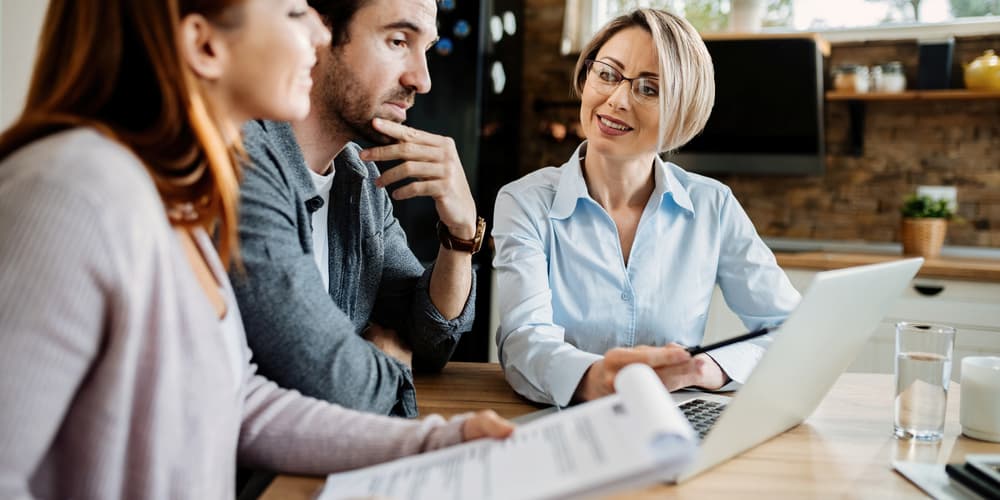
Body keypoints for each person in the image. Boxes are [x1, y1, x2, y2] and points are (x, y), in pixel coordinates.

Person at [0, 0, 511, 498]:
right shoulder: (72, 191)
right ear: (205, 45)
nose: (316, 35)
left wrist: (434, 441)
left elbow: (240, 403)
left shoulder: (176, 197)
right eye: (293, 12)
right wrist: (396, 371)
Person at [491, 9, 801, 407]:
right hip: (562, 422)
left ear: (682, 111)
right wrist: (598, 377)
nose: (616, 100)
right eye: (607, 74)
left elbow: (791, 330)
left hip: (671, 425)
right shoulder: (525, 202)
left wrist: (708, 368)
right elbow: (523, 341)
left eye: (649, 89)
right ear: (586, 77)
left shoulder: (713, 206)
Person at [233, 0, 483, 418]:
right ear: (320, 31)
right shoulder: (247, 161)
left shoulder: (359, 177)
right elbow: (334, 382)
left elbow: (428, 343)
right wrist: (391, 368)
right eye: (398, 40)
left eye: (427, 48)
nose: (421, 80)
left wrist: (459, 232)